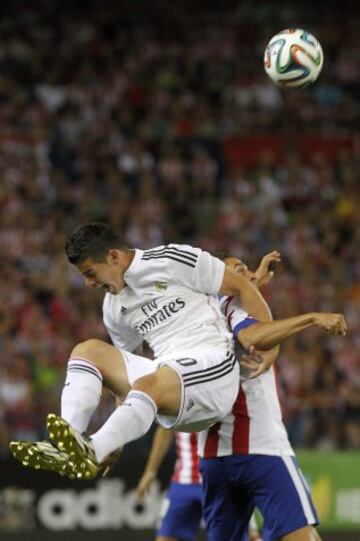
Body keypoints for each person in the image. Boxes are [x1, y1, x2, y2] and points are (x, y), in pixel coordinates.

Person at [10, 224, 346, 483]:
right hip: (168, 380)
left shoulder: (171, 259)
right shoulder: (114, 307)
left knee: (152, 383)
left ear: (114, 256)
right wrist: (118, 443)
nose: (88, 284)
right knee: (87, 351)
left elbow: (241, 286)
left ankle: (92, 449)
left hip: (213, 367)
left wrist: (269, 347)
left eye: (90, 274)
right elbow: (121, 382)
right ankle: (71, 441)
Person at [198, 253, 329, 541]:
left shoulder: (199, 321)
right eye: (238, 272)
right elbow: (254, 336)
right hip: (259, 446)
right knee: (301, 534)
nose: (247, 275)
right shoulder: (234, 306)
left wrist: (254, 281)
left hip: (213, 457)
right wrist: (312, 318)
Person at [136, 426, 263, 541]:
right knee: (165, 537)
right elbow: (164, 428)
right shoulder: (177, 401)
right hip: (183, 481)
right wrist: (150, 471)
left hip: (218, 480)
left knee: (245, 534)